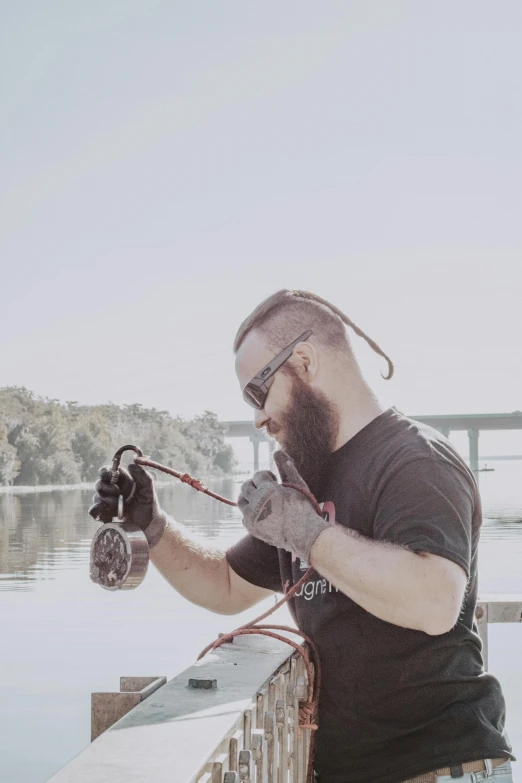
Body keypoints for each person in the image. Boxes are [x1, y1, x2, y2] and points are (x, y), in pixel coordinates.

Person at [90, 289, 515, 783]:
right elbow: (225, 585)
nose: (257, 417)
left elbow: (434, 602)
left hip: (442, 769)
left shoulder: (415, 460)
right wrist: (152, 522)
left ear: (305, 362)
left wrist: (304, 531)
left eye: (257, 392)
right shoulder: (307, 484)